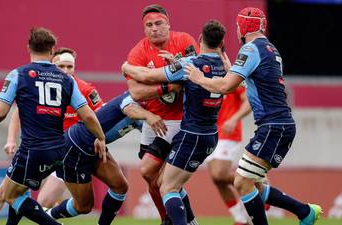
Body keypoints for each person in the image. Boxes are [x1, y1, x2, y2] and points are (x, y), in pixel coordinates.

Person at [185, 7, 322, 225]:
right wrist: (232, 70)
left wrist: (198, 77)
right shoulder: (271, 49)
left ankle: (297, 213)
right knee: (254, 184)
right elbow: (252, 81)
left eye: (239, 26)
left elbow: (226, 87)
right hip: (278, 124)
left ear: (244, 27)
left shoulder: (250, 49)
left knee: (242, 182)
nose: (237, 29)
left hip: (273, 126)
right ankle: (304, 211)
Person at [0, 27, 105, 225]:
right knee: (19, 188)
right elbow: (87, 115)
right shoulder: (67, 80)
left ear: (28, 48)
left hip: (33, 149)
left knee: (10, 194)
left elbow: (1, 112)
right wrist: (101, 136)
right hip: (59, 151)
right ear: (52, 51)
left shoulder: (18, 74)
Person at [122, 19, 227, 225]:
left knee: (167, 187)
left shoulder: (191, 65)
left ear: (199, 40)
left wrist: (127, 67)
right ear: (221, 44)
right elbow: (229, 86)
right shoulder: (226, 68)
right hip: (210, 134)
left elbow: (148, 74)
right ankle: (190, 221)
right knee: (164, 181)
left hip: (191, 134)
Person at [125, 4, 199, 225]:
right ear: (144, 29)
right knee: (151, 176)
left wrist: (175, 67)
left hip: (182, 121)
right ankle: (172, 218)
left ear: (168, 24)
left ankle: (173, 220)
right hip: (154, 122)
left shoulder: (185, 41)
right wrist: (169, 86)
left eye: (158, 23)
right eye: (149, 25)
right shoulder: (138, 51)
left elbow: (198, 75)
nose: (154, 29)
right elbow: (136, 91)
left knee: (160, 177)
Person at [47, 92, 167, 225]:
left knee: (120, 187)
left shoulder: (152, 110)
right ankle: (47, 216)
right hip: (76, 147)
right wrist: (149, 116)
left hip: (97, 148)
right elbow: (128, 108)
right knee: (83, 207)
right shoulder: (135, 98)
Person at [205, 86, 251, 225]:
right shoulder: (202, 74)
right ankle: (241, 219)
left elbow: (248, 101)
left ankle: (257, 182)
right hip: (209, 133)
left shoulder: (232, 74)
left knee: (219, 174)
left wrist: (234, 119)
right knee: (217, 179)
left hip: (228, 132)